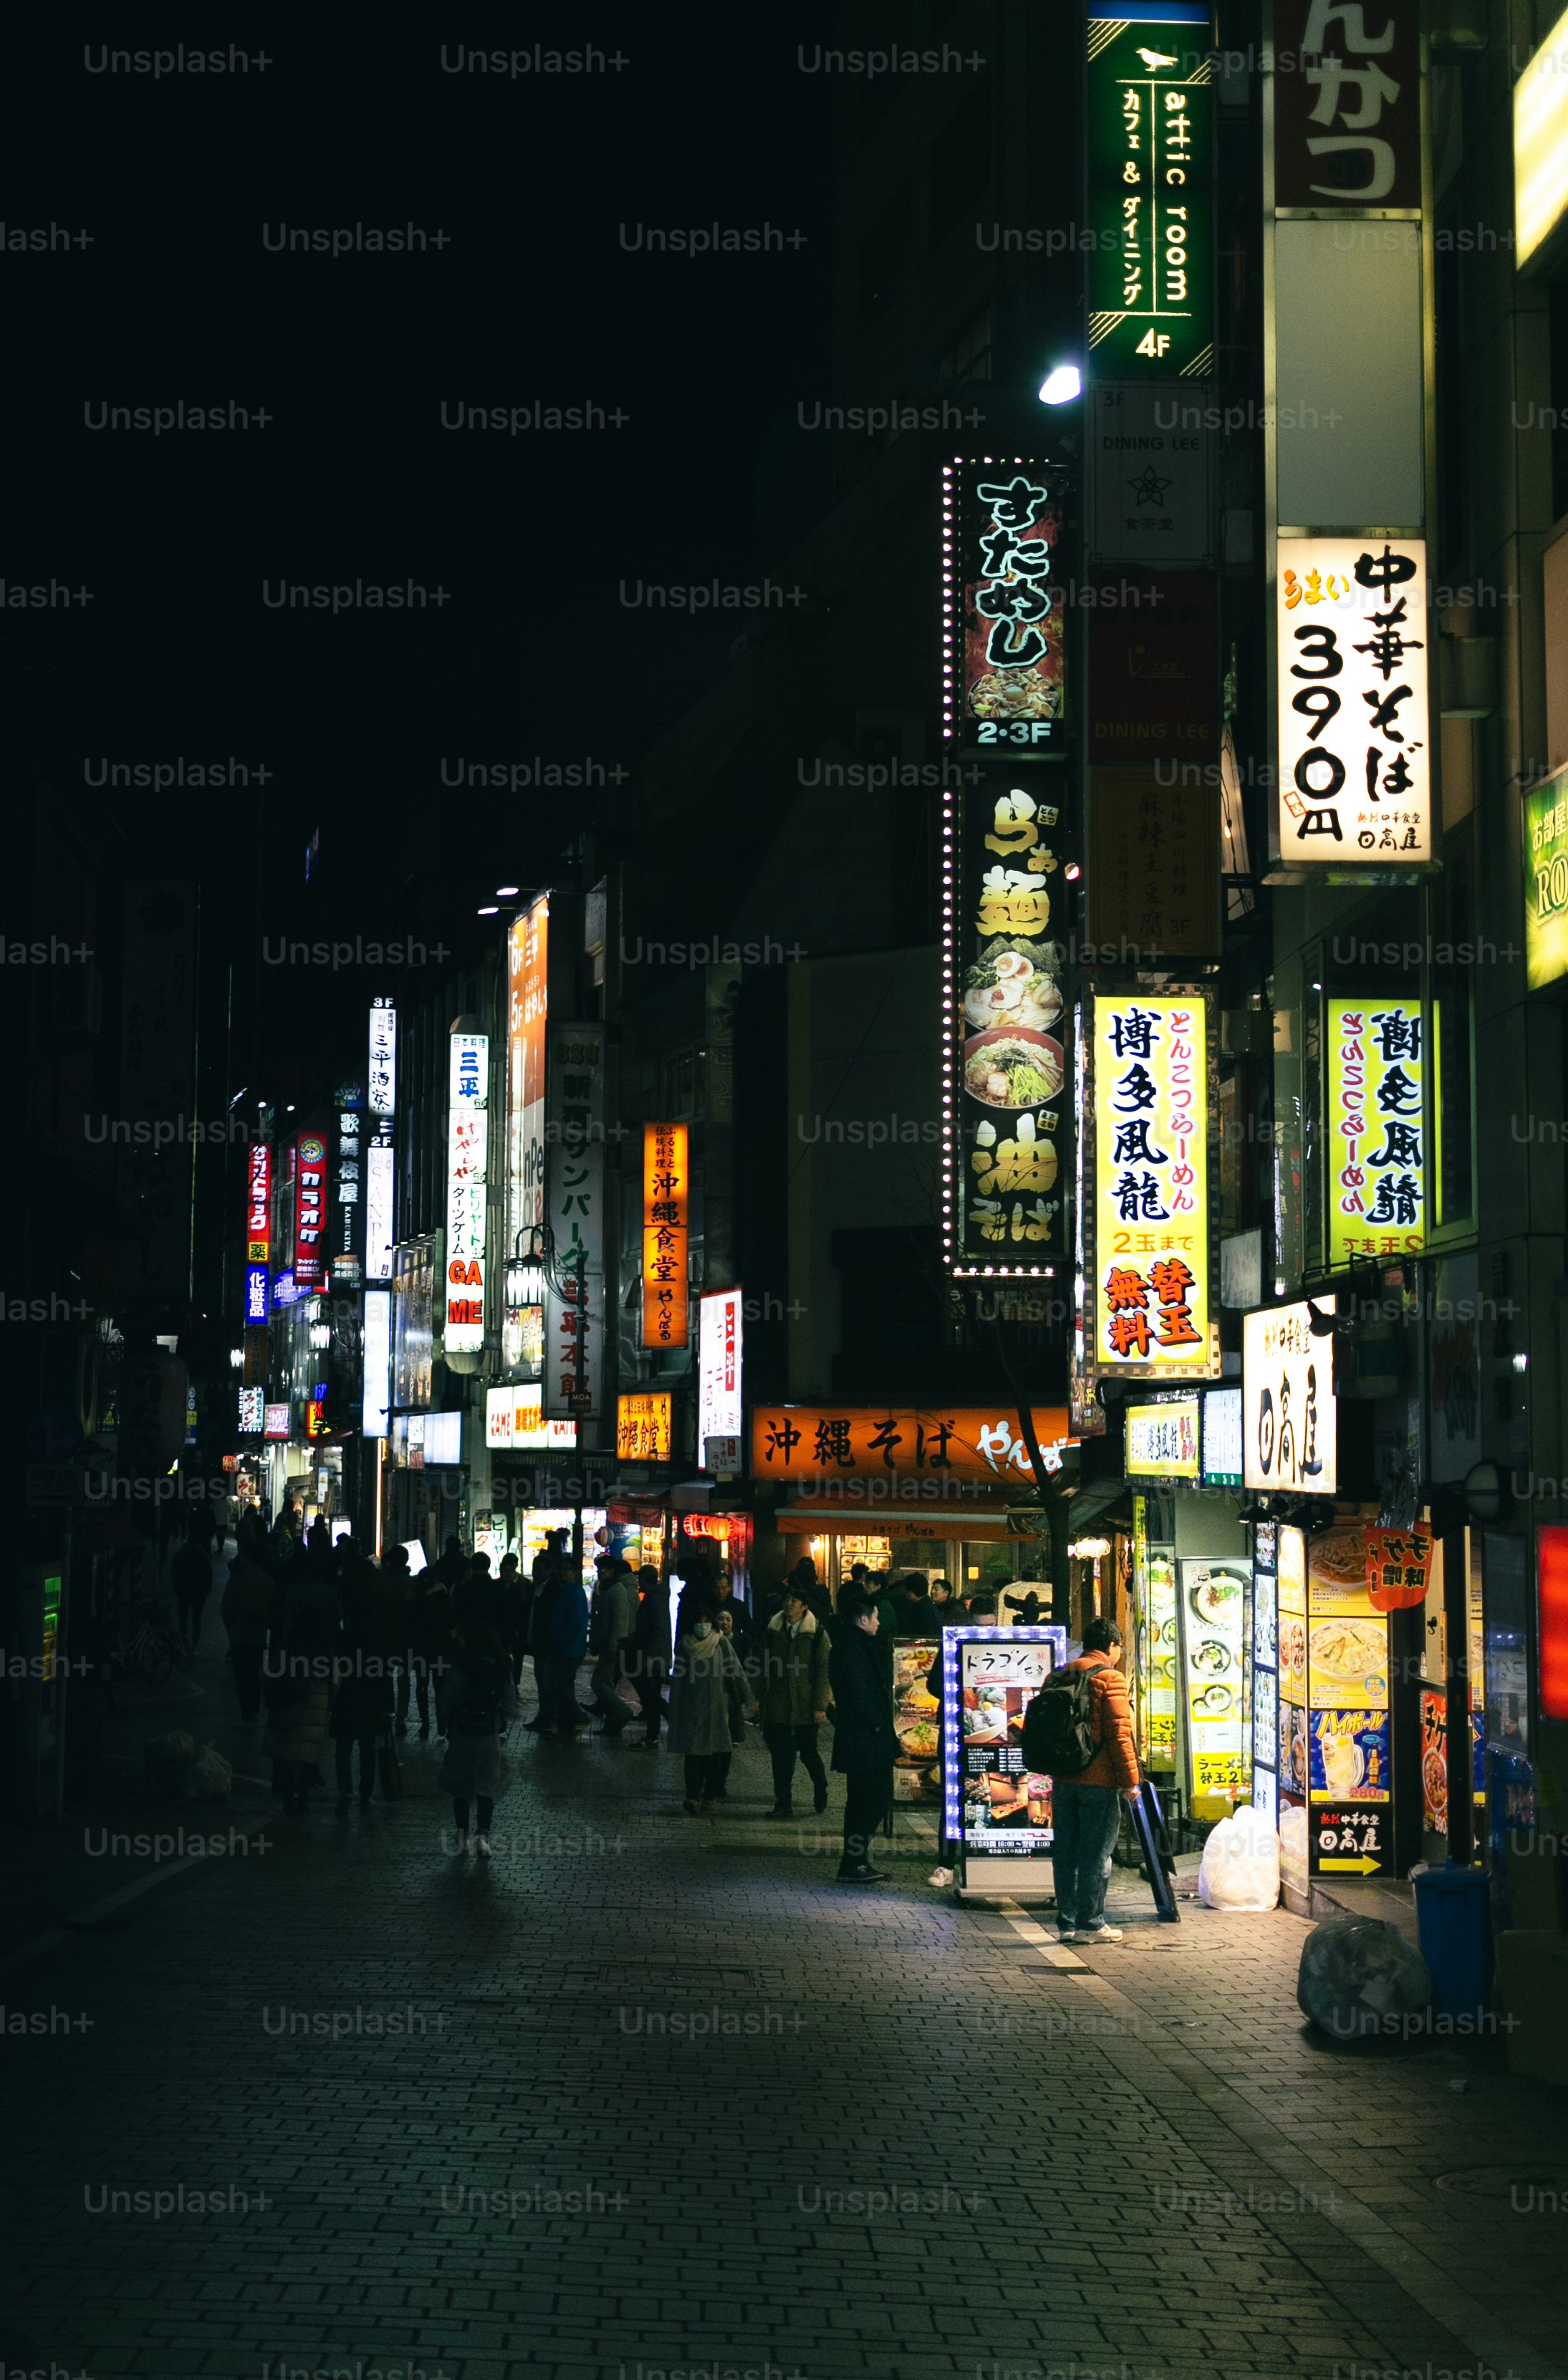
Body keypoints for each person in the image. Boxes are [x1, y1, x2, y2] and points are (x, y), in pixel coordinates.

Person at [1047, 1615, 1140, 1945]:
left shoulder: (1060, 1674)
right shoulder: (1111, 1678)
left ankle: (1067, 1923)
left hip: (1063, 1778)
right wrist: (1131, 1780)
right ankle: (1092, 1923)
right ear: (1111, 1646)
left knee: (1066, 1853)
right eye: (1119, 1647)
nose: (1119, 1654)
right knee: (1097, 1854)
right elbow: (1119, 1733)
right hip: (1098, 1781)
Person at [925, 1593, 996, 1890]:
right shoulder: (955, 1643)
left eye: (990, 1626)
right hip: (956, 1730)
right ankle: (946, 1864)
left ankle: (989, 1861)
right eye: (980, 1626)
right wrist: (958, 1693)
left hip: (994, 1732)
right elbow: (931, 1683)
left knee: (989, 1790)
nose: (985, 1632)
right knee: (952, 1797)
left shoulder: (1007, 1643)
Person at [828, 1583, 896, 1883]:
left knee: (862, 1801)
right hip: (866, 1740)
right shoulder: (855, 1649)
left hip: (860, 1738)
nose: (879, 1623)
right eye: (876, 1617)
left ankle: (855, 1861)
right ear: (864, 1619)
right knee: (871, 1799)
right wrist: (880, 1727)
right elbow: (861, 1695)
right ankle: (853, 1862)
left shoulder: (847, 1643)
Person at [668, 1584, 752, 1813]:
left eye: (706, 1621)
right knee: (693, 1755)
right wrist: (673, 1708)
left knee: (714, 1755)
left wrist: (750, 1698)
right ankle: (692, 1796)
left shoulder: (721, 1643)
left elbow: (737, 1671)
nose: (703, 1625)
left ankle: (710, 1795)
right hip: (692, 1709)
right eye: (699, 1621)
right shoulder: (686, 1647)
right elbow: (678, 1680)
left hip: (717, 1708)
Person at [438, 1618, 518, 1856]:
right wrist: (501, 1718)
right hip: (488, 1732)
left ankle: (462, 1837)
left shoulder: (460, 1663)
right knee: (487, 1785)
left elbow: (447, 1698)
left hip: (462, 1732)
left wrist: (444, 1724)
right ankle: (483, 1837)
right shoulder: (503, 1664)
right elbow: (511, 1705)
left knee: (461, 1786)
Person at [262, 1585, 338, 1816]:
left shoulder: (289, 1648)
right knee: (308, 1756)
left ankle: (287, 1797)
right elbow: (335, 1682)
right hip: (315, 1709)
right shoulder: (326, 1652)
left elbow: (271, 1671)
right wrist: (329, 1706)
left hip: (288, 1706)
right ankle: (303, 1797)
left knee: (285, 1753)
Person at [756, 1583, 831, 1818]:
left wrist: (820, 1705)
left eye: (795, 1600)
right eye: (787, 1599)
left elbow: (823, 1670)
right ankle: (783, 1803)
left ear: (805, 1606)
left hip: (805, 1704)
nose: (789, 1604)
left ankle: (821, 1787)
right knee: (781, 1758)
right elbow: (760, 1664)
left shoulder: (816, 1633)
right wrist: (756, 1697)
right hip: (778, 1702)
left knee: (809, 1753)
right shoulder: (772, 1630)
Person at [332, 1567, 396, 1807]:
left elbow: (334, 1667)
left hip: (347, 1695)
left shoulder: (344, 1636)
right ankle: (365, 1793)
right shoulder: (378, 1636)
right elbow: (385, 1674)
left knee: (344, 1745)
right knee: (368, 1747)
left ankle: (344, 1790)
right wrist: (389, 1707)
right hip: (372, 1697)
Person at [220, 1524, 274, 1722]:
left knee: (241, 1676)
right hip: (258, 1637)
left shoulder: (236, 1580)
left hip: (239, 1637)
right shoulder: (269, 1581)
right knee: (254, 1673)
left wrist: (232, 1627)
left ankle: (246, 1710)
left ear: (247, 1557)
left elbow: (226, 1609)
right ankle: (254, 1708)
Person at [536, 1548, 590, 1737]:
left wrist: (561, 1641)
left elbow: (574, 1623)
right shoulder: (565, 1591)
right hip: (562, 1647)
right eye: (561, 1569)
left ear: (575, 1572)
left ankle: (577, 1716)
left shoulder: (575, 1593)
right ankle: (566, 1724)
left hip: (569, 1649)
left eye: (568, 1569)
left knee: (557, 1686)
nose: (564, 1572)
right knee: (559, 1685)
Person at [405, 1558, 456, 1740]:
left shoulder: (414, 1599)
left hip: (420, 1650)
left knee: (421, 1685)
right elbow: (451, 1622)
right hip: (440, 1649)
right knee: (440, 1686)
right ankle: (442, 1721)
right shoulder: (443, 1597)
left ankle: (425, 1723)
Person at [590, 1558, 637, 1738]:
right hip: (608, 1645)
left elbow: (619, 1622)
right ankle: (613, 1720)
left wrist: (613, 1646)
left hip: (612, 1646)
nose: (600, 1572)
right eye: (599, 1569)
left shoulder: (617, 1592)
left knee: (599, 1683)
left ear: (613, 1572)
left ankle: (622, 1712)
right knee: (606, 1683)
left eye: (604, 1569)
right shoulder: (609, 1590)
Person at [630, 1565, 671, 1746]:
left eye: (640, 1579)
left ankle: (653, 1736)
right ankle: (656, 1733)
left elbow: (659, 1629)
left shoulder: (655, 1599)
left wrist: (651, 1656)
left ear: (646, 1580)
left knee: (653, 1697)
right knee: (653, 1696)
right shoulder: (655, 1597)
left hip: (655, 1658)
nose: (638, 1583)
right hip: (654, 1655)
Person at [170, 1522, 213, 1653]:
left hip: (183, 1591)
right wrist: (207, 1590)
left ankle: (184, 1641)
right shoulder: (204, 1557)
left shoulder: (180, 1555)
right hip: (199, 1593)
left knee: (183, 1617)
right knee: (196, 1619)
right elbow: (208, 1575)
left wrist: (176, 1588)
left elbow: (174, 1572)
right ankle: (194, 1644)